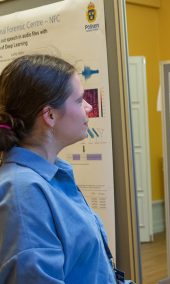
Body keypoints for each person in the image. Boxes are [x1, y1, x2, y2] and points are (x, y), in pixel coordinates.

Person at [0, 54, 116, 283]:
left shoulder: (55, 175)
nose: (89, 106)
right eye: (79, 100)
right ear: (50, 115)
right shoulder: (23, 193)